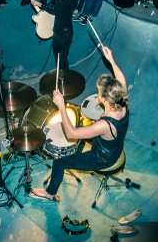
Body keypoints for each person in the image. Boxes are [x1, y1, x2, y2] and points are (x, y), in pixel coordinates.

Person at [29, 46, 129, 202]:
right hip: (113, 145)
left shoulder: (104, 125)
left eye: (98, 92)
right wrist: (111, 59)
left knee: (59, 162)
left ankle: (49, 193)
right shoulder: (122, 100)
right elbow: (121, 79)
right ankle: (79, 150)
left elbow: (71, 134)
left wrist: (61, 105)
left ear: (103, 98)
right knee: (82, 126)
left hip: (102, 158)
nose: (97, 94)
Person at [31, 0, 75, 70]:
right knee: (57, 56)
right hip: (57, 31)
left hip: (65, 33)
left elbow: (55, 10)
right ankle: (59, 78)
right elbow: (51, 7)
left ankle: (65, 79)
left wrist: (39, 4)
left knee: (62, 58)